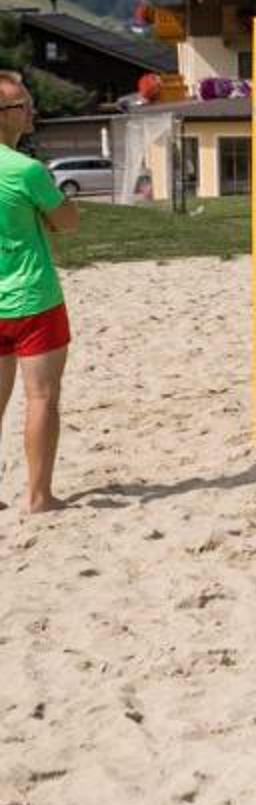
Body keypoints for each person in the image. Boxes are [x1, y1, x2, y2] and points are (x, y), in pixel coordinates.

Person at [0, 73, 79, 514]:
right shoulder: (26, 170)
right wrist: (52, 212)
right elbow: (67, 222)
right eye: (23, 105)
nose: (32, 111)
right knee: (42, 397)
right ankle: (38, 497)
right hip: (33, 298)